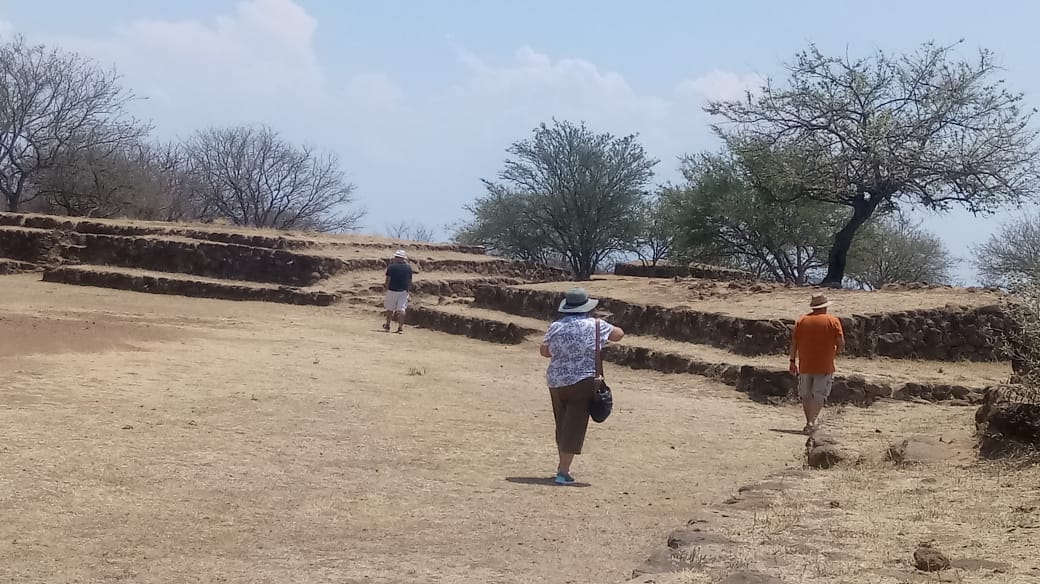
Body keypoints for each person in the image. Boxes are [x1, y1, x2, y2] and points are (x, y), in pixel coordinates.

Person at [540, 287, 625, 485]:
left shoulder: (556, 326)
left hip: (556, 381)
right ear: (586, 307)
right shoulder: (595, 325)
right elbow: (619, 334)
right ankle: (563, 472)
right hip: (582, 381)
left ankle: (561, 465)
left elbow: (545, 351)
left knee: (562, 425)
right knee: (575, 426)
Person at [788, 293, 845, 434]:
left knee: (806, 394)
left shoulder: (802, 321)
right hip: (824, 364)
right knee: (819, 394)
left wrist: (792, 361)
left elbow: (794, 343)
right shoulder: (833, 321)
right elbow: (841, 343)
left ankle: (809, 422)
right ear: (825, 307)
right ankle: (812, 422)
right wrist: (834, 353)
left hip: (805, 364)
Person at [383, 250, 413, 333]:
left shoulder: (392, 267)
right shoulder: (408, 267)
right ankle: (400, 328)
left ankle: (388, 325)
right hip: (403, 291)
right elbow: (410, 280)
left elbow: (388, 279)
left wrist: (386, 288)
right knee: (402, 309)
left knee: (390, 309)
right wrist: (408, 289)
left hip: (392, 290)